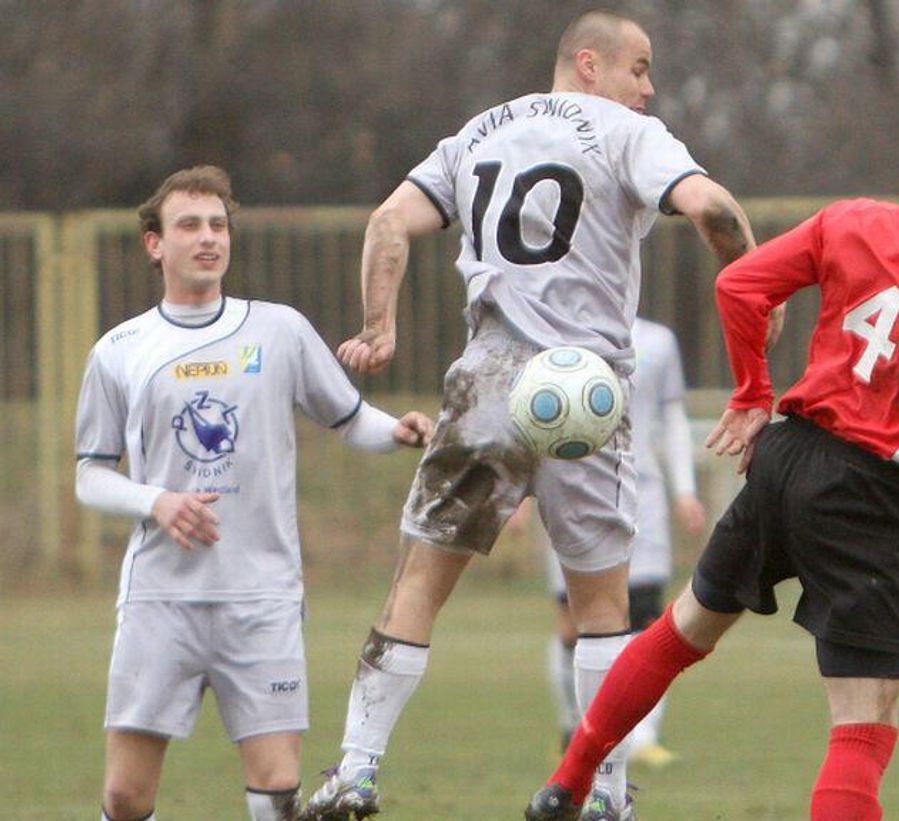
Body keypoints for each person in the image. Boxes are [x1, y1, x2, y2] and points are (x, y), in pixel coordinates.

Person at [299, 10, 760, 821]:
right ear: (591, 63)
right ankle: (606, 795)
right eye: (639, 67)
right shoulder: (625, 132)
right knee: (602, 610)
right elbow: (713, 208)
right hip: (588, 390)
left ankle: (355, 772)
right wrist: (755, 291)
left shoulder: (477, 131)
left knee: (417, 585)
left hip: (487, 380)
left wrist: (380, 327)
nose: (649, 88)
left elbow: (386, 222)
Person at [525, 106, 899, 821]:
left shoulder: (850, 219)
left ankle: (567, 783)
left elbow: (740, 286)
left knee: (680, 632)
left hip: (785, 454)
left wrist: (753, 393)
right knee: (866, 716)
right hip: (869, 489)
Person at [74, 165, 433, 821]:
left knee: (276, 790)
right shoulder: (120, 350)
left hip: (262, 594)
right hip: (161, 598)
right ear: (155, 244)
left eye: (217, 224)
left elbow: (350, 418)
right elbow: (90, 472)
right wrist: (156, 501)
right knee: (126, 795)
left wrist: (400, 431)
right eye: (189, 225)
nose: (208, 238)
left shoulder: (279, 330)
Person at [539, 316, 706, 767]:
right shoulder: (556, 329)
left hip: (642, 493)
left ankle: (643, 736)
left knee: (646, 618)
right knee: (573, 622)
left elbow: (671, 416)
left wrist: (684, 490)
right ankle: (575, 724)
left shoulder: (658, 339)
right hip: (571, 490)